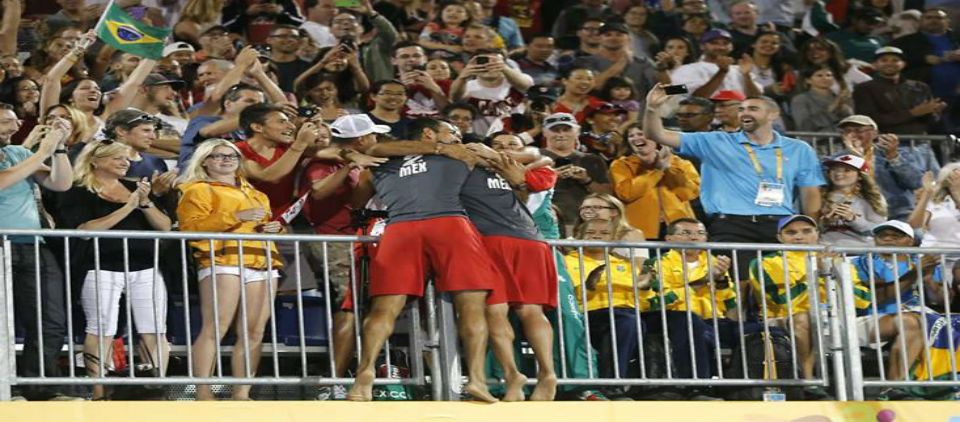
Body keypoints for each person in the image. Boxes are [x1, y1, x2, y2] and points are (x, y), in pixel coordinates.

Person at [347, 118, 500, 403]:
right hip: (450, 223)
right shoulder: (461, 152)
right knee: (472, 306)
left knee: (384, 309)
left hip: (400, 228)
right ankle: (477, 380)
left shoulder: (379, 160)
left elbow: (357, 202)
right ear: (429, 134)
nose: (456, 136)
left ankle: (364, 376)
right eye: (451, 131)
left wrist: (360, 159)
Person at [643, 85, 826, 277]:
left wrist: (810, 230)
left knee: (780, 285)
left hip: (779, 226)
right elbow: (658, 135)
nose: (744, 113)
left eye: (752, 109)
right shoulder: (715, 141)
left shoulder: (799, 148)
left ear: (773, 114)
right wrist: (652, 109)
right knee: (738, 285)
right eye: (741, 109)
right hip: (731, 225)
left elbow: (810, 193)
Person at [59, 140, 172, 401]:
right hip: (101, 267)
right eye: (117, 158)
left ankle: (157, 389)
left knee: (154, 329)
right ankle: (99, 392)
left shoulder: (136, 188)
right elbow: (85, 231)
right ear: (95, 160)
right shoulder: (78, 190)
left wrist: (145, 203)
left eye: (126, 158)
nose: (125, 162)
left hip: (145, 266)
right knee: (101, 329)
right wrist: (128, 207)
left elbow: (165, 226)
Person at [177, 139, 284, 401]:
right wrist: (235, 218)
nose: (226, 160)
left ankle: (242, 393)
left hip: (261, 260)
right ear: (204, 161)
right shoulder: (196, 190)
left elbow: (262, 222)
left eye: (231, 156)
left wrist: (274, 228)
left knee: (255, 331)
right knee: (216, 328)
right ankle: (203, 393)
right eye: (217, 156)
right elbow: (190, 230)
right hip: (222, 260)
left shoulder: (257, 193)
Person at [298, 114, 386, 398]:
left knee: (357, 305)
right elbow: (319, 193)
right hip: (334, 240)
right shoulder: (323, 163)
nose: (377, 140)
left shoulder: (354, 161)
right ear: (361, 139)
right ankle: (334, 380)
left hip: (357, 238)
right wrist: (349, 163)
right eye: (373, 135)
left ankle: (350, 374)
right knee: (348, 305)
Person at [750, 215, 871, 398]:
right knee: (806, 318)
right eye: (791, 232)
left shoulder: (838, 260)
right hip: (784, 320)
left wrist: (833, 274)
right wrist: (817, 275)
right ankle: (808, 381)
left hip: (837, 320)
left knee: (908, 321)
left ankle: (896, 388)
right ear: (779, 237)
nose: (799, 237)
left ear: (817, 234)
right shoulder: (766, 262)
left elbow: (863, 300)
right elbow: (782, 301)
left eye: (806, 231)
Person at [0, 118, 75, 401]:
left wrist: (59, 149)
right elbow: (3, 181)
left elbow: (60, 183)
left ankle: (40, 387)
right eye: (5, 122)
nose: (13, 127)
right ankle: (5, 388)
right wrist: (43, 151)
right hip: (0, 244)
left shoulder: (18, 154)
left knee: (50, 319)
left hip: (32, 245)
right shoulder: (25, 156)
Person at [851, 220, 941, 400]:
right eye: (882, 235)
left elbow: (940, 300)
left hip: (918, 319)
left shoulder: (922, 262)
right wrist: (915, 272)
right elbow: (878, 296)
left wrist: (929, 278)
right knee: (910, 321)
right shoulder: (861, 261)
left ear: (910, 241)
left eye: (896, 236)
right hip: (873, 320)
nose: (888, 239)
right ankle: (891, 390)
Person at [564, 219, 654, 382]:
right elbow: (572, 296)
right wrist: (590, 284)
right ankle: (613, 383)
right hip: (589, 314)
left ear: (614, 239)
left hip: (627, 314)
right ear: (578, 237)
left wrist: (645, 288)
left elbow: (644, 302)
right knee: (628, 323)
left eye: (604, 233)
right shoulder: (568, 262)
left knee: (633, 322)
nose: (597, 236)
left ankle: (613, 382)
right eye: (590, 233)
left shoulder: (625, 264)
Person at [834, 114, 939, 221]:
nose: (853, 135)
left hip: (896, 213)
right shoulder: (834, 161)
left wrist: (893, 157)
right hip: (855, 213)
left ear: (874, 133)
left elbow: (915, 182)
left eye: (858, 130)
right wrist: (854, 157)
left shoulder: (894, 153)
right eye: (847, 131)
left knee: (915, 234)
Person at [609, 123, 699, 240]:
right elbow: (626, 193)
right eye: (631, 136)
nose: (636, 138)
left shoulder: (680, 163)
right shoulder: (621, 165)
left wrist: (668, 169)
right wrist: (656, 171)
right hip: (639, 231)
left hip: (678, 229)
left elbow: (689, 193)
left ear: (658, 138)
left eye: (641, 134)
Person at [538, 112, 611, 226]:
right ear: (544, 132)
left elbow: (608, 195)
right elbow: (520, 190)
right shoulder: (533, 157)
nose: (561, 134)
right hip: (543, 223)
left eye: (566, 129)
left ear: (577, 131)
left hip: (583, 223)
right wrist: (550, 177)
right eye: (555, 130)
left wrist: (586, 180)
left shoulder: (592, 160)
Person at [853, 46, 946, 135]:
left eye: (895, 60)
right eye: (884, 60)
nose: (889, 63)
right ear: (875, 64)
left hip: (920, 141)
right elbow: (868, 120)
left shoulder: (920, 86)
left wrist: (935, 112)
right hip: (883, 142)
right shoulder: (864, 88)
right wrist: (912, 113)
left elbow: (930, 119)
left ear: (903, 64)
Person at [451, 50, 534, 135]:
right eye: (484, 61)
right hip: (481, 140)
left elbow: (526, 85)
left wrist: (504, 68)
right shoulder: (466, 86)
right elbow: (455, 97)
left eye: (494, 61)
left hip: (517, 139)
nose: (489, 65)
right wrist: (462, 77)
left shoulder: (515, 81)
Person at [574, 22, 657, 105]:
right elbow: (592, 86)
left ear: (629, 39)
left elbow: (663, 89)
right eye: (608, 35)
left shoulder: (643, 63)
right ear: (599, 38)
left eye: (619, 35)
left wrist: (662, 69)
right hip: (598, 114)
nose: (613, 38)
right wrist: (622, 62)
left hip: (637, 115)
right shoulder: (585, 62)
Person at [669, 29, 762, 99]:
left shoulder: (739, 69)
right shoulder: (686, 69)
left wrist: (746, 76)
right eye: (714, 43)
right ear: (702, 46)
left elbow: (757, 98)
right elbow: (696, 98)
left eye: (725, 43)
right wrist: (721, 72)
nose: (721, 47)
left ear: (731, 47)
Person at [820, 154, 888, 247]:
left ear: (860, 176)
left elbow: (881, 230)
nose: (838, 173)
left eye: (847, 170)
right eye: (834, 169)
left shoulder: (872, 197)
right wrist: (826, 222)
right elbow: (807, 227)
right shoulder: (818, 195)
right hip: (826, 250)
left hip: (862, 253)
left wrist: (853, 219)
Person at [909, 165, 960, 276]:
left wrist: (957, 194)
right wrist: (927, 193)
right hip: (933, 261)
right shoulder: (935, 201)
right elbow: (914, 224)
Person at [790, 66, 853, 133]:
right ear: (808, 80)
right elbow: (805, 126)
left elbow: (850, 123)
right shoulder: (800, 99)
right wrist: (831, 109)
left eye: (829, 75)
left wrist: (844, 109)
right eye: (819, 75)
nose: (825, 78)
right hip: (816, 141)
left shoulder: (841, 98)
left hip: (841, 140)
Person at [267, 25, 314, 93]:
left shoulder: (308, 67)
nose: (290, 40)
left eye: (294, 37)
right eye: (283, 36)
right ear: (269, 40)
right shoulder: (259, 66)